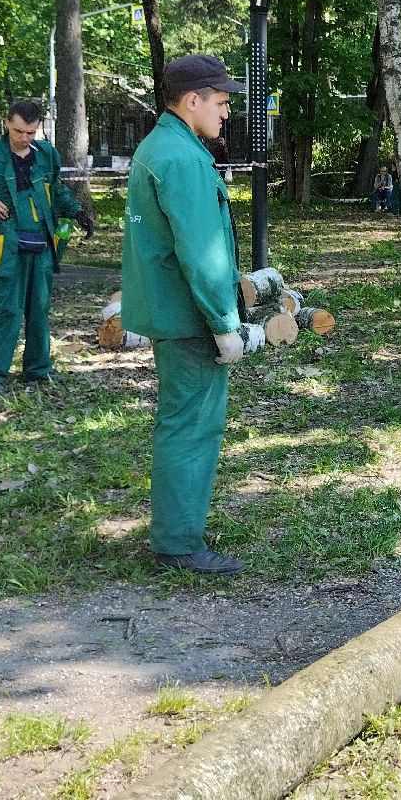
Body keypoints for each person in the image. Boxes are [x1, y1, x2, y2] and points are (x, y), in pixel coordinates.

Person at [121, 54, 249, 576]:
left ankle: (178, 532)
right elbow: (202, 253)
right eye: (220, 103)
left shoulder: (163, 146)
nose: (225, 114)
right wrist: (225, 323)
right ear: (191, 100)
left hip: (173, 312)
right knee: (192, 427)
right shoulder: (183, 159)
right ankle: (178, 543)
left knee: (184, 423)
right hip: (190, 318)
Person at [0, 98, 94, 395]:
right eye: (19, 131)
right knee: (3, 311)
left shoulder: (47, 155)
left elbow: (56, 189)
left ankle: (38, 370)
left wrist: (76, 211)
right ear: (7, 123)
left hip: (42, 249)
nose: (24, 138)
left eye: (31, 133)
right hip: (4, 249)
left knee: (39, 310)